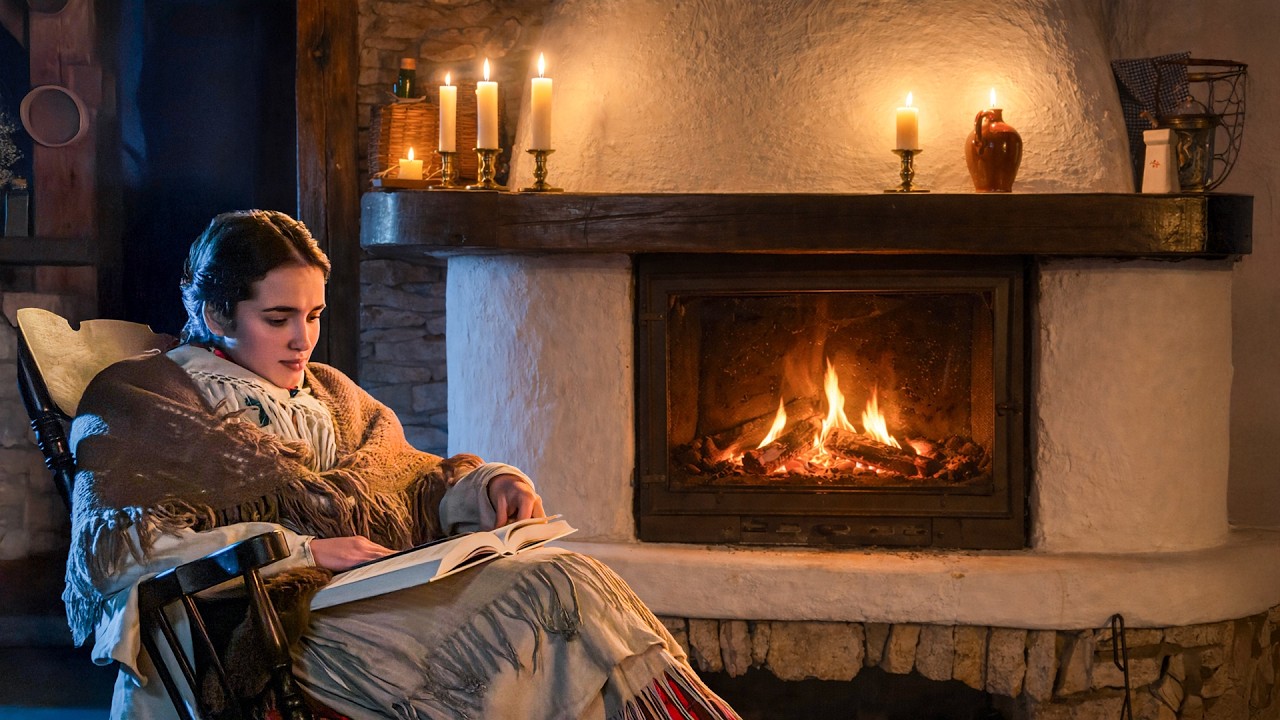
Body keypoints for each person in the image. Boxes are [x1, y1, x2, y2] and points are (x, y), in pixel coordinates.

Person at [65, 209, 740, 720]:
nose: (303, 340)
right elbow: (120, 547)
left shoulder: (328, 391)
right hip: (271, 631)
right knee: (552, 595)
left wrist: (487, 485)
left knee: (570, 577)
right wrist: (304, 550)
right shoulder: (147, 397)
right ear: (216, 312)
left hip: (375, 599)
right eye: (278, 318)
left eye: (314, 315)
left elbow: (414, 478)